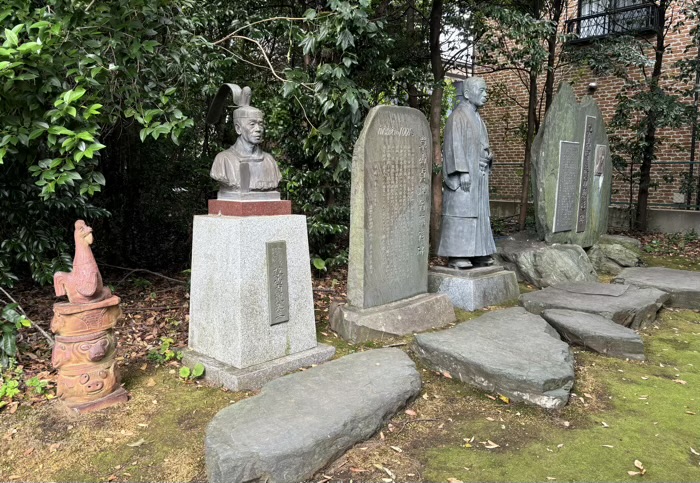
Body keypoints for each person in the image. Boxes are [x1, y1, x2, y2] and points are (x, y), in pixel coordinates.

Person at [437, 77, 497, 269]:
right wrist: (462, 171)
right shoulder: (458, 116)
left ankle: (478, 253)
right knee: (462, 213)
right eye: (482, 91)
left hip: (479, 174)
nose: (485, 95)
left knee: (479, 214)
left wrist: (488, 156)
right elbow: (453, 147)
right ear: (468, 93)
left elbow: (483, 146)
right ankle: (457, 255)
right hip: (465, 177)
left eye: (486, 91)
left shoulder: (479, 119)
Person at [208, 85, 281, 196]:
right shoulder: (223, 160)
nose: (258, 129)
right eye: (252, 124)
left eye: (260, 124)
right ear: (238, 128)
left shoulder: (269, 161)